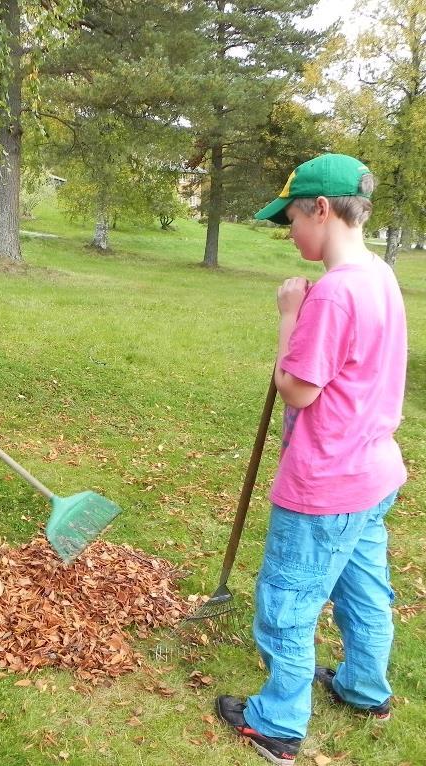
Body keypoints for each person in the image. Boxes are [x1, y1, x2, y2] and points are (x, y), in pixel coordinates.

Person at [214, 154, 408, 765]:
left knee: (287, 605)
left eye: (292, 218)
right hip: (374, 471)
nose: (288, 232)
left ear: (322, 210)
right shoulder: (379, 273)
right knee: (364, 591)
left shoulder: (333, 296)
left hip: (325, 483)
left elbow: (298, 388)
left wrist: (290, 316)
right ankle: (362, 688)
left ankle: (277, 722)